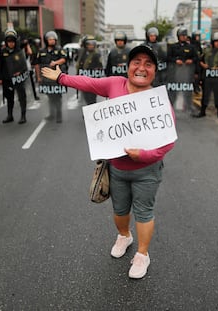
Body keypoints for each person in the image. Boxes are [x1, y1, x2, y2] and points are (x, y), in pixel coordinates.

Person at [41, 44, 176, 279]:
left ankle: (142, 255)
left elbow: (168, 141)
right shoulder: (115, 84)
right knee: (120, 210)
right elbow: (88, 83)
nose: (141, 68)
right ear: (128, 66)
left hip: (147, 170)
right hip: (117, 169)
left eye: (148, 64)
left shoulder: (158, 100)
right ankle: (124, 236)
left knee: (144, 212)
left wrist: (143, 155)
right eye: (136, 62)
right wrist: (61, 77)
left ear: (155, 70)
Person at [195, 32, 218, 121]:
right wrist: (203, 65)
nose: (217, 43)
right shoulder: (207, 50)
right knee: (205, 95)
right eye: (216, 41)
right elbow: (200, 60)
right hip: (208, 77)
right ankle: (202, 111)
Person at [34, 31, 67, 123]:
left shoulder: (59, 49)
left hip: (56, 78)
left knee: (57, 97)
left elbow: (64, 59)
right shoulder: (41, 51)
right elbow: (37, 64)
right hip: (46, 79)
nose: (52, 41)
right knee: (50, 97)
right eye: (50, 39)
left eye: (53, 39)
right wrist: (38, 77)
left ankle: (59, 115)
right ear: (46, 40)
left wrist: (55, 62)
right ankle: (51, 114)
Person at [0, 29, 30, 124]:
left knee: (21, 97)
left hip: (19, 78)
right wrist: (0, 78)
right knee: (9, 98)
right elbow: (0, 66)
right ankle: (10, 115)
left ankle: (23, 116)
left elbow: (24, 65)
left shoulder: (19, 51)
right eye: (9, 41)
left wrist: (20, 73)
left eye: (12, 41)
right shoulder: (3, 52)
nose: (11, 43)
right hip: (7, 79)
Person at [167, 27, 199, 114]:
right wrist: (175, 61)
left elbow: (196, 58)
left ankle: (189, 106)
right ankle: (171, 108)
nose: (183, 37)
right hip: (175, 73)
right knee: (173, 91)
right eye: (182, 35)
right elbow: (168, 58)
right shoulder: (173, 47)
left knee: (187, 91)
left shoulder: (191, 47)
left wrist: (191, 60)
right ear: (178, 36)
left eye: (185, 35)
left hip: (187, 73)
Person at [75, 35, 104, 105]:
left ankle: (91, 113)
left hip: (93, 81)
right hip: (84, 80)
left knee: (92, 99)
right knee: (85, 98)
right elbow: (77, 62)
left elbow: (100, 67)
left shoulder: (96, 54)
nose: (91, 46)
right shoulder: (82, 53)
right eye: (89, 44)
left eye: (92, 44)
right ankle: (87, 113)